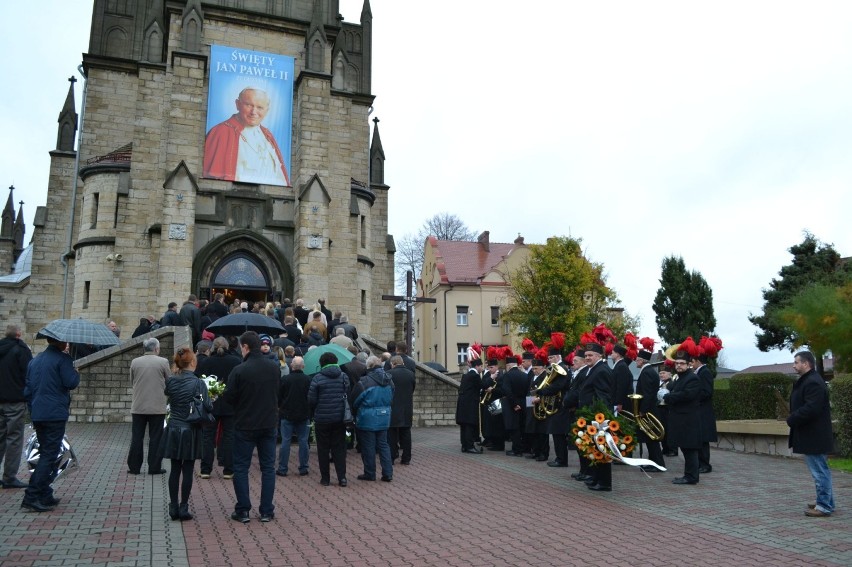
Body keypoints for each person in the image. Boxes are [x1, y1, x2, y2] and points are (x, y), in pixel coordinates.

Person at [223, 331, 280, 523]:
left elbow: (229, 397)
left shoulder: (239, 370)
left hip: (245, 424)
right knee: (268, 468)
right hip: (268, 422)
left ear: (245, 347)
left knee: (240, 467)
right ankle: (266, 510)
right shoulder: (274, 368)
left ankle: (243, 509)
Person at [22, 337, 79, 512]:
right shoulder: (63, 359)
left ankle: (44, 493)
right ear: (61, 343)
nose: (67, 344)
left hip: (38, 413)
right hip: (54, 413)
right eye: (66, 342)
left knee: (46, 453)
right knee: (50, 454)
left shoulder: (36, 360)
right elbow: (71, 383)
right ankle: (32, 495)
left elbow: (28, 389)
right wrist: (75, 371)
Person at [203, 87, 290, 186]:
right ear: (237, 104)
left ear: (267, 110)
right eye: (248, 105)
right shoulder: (220, 132)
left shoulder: (268, 136)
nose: (253, 112)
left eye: (260, 107)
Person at [162, 347, 210, 521]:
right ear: (192, 362)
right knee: (188, 469)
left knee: (175, 469)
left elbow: (168, 395)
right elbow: (208, 406)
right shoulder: (198, 383)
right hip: (190, 429)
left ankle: (173, 506)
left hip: (174, 426)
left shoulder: (171, 381)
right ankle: (183, 507)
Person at [787, 350, 835, 517]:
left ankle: (823, 506)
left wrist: (792, 418)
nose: (794, 365)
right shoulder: (809, 380)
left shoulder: (813, 382)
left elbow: (811, 408)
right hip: (813, 434)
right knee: (821, 469)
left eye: (797, 362)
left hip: (814, 435)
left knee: (819, 471)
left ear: (806, 364)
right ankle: (827, 501)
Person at [195, 337, 241, 480]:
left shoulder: (205, 362)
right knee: (229, 436)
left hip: (211, 404)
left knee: (208, 437)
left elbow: (199, 382)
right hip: (230, 404)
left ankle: (205, 469)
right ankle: (228, 470)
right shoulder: (235, 361)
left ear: (213, 347)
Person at [658, 344, 702, 485]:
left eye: (682, 363)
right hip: (681, 419)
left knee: (690, 449)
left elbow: (686, 395)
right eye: (677, 363)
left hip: (688, 420)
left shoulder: (692, 378)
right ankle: (688, 475)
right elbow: (672, 389)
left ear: (689, 364)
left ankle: (692, 477)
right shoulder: (679, 378)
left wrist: (668, 397)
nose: (679, 366)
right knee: (685, 448)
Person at [127, 338, 170, 476]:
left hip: (138, 405)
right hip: (157, 406)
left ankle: (134, 467)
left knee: (137, 437)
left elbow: (131, 380)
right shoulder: (163, 362)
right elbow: (169, 381)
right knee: (156, 438)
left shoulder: (135, 362)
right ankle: (154, 467)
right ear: (156, 349)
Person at [308, 352, 349, 487]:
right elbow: (347, 392)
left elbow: (311, 400)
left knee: (323, 449)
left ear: (322, 363)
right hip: (339, 417)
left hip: (322, 418)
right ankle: (342, 478)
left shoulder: (317, 378)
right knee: (339, 448)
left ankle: (325, 479)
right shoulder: (343, 376)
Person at [0, 324, 33, 489]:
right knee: (14, 439)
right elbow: (29, 373)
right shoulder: (21, 350)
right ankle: (9, 477)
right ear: (19, 335)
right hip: (15, 400)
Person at [352, 356, 394, 482]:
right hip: (384, 415)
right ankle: (388, 473)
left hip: (367, 417)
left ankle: (370, 473)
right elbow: (392, 397)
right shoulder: (389, 381)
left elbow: (354, 400)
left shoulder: (364, 382)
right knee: (383, 445)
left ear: (368, 366)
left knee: (368, 447)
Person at [579, 342, 613, 491]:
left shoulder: (601, 370)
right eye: (586, 355)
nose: (587, 358)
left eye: (590, 355)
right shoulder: (593, 369)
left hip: (598, 418)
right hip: (591, 416)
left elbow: (603, 397)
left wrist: (600, 418)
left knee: (602, 450)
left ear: (599, 356)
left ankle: (605, 483)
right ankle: (596, 477)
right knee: (594, 449)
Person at [277, 356, 311, 477]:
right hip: (303, 414)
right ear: (303, 366)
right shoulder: (308, 380)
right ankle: (303, 467)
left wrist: (280, 406)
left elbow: (279, 396)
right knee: (303, 441)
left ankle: (282, 468)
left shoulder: (285, 379)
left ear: (291, 366)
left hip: (287, 413)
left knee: (286, 441)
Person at [633, 345, 665, 472]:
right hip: (650, 409)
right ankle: (653, 462)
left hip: (648, 410)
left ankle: (658, 463)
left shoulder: (646, 372)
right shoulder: (649, 371)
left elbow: (648, 393)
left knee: (652, 439)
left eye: (637, 359)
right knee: (650, 438)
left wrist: (643, 410)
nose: (636, 361)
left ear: (642, 360)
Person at [387, 355, 416, 465]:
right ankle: (406, 458)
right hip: (407, 407)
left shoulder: (389, 374)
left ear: (393, 364)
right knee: (406, 433)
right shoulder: (411, 374)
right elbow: (412, 389)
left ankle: (392, 456)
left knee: (392, 434)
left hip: (393, 406)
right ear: (402, 363)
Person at [501, 354, 529, 457]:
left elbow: (507, 391)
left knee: (514, 427)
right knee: (522, 426)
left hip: (512, 404)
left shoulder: (507, 375)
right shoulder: (524, 375)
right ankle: (523, 447)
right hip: (523, 402)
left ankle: (516, 450)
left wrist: (514, 404)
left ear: (508, 366)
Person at [455, 357, 483, 454]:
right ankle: (470, 446)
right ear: (477, 366)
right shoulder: (475, 375)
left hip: (462, 403)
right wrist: (491, 379)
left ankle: (464, 446)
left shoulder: (465, 375)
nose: (482, 368)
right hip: (470, 404)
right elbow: (482, 385)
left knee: (464, 425)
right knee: (469, 425)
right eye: (481, 366)